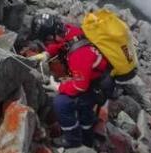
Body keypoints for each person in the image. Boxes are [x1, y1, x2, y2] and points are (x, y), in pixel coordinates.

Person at [28, 13, 111, 148]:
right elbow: (63, 44)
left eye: (46, 40)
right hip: (96, 77)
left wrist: (58, 87)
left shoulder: (79, 56)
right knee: (85, 111)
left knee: (61, 103)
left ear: (51, 36)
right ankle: (88, 136)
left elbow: (80, 87)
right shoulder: (69, 30)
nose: (46, 43)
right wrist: (47, 53)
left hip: (94, 86)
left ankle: (74, 141)